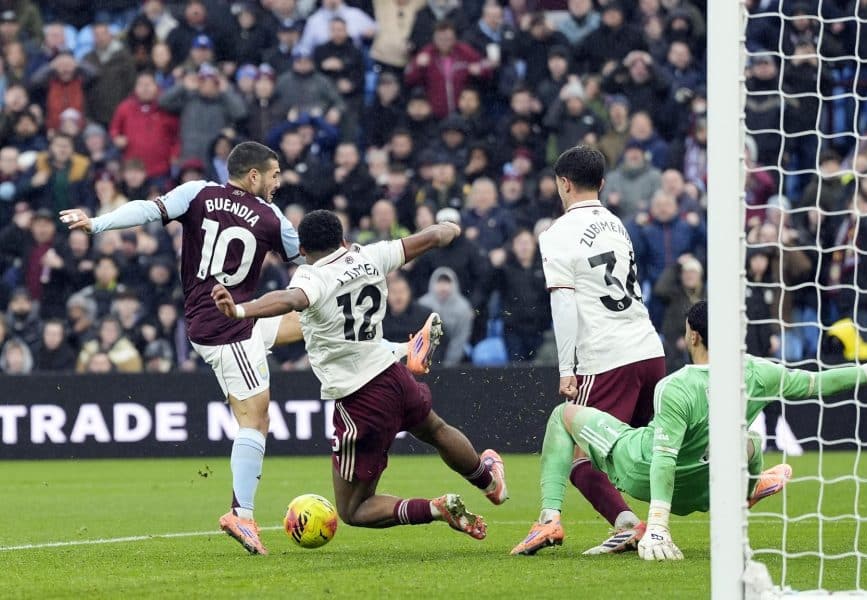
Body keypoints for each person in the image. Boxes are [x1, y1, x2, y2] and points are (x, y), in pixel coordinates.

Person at [512, 301, 867, 558]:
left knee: (563, 417)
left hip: (644, 474)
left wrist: (658, 524)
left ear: (692, 336)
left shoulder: (674, 386)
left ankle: (552, 517)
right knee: (749, 439)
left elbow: (662, 459)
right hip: (709, 489)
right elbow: (820, 384)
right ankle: (748, 487)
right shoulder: (757, 372)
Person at [60, 142, 319, 555]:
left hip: (214, 319)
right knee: (255, 419)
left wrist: (97, 223)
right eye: (273, 175)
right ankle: (242, 513)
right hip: (228, 329)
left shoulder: (197, 192)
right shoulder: (272, 219)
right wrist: (353, 260)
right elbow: (310, 257)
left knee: (306, 321)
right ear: (253, 175)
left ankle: (396, 352)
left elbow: (147, 209)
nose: (277, 183)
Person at [211, 209, 507, 539]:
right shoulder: (371, 254)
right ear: (343, 239)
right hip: (394, 377)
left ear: (304, 252)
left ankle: (436, 509)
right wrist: (450, 228)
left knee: (353, 509)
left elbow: (290, 299)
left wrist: (240, 310)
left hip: (359, 398)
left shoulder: (311, 276)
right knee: (436, 429)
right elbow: (435, 236)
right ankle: (490, 482)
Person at [528, 145, 666, 555]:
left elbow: (564, 304)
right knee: (661, 445)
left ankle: (625, 525)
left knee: (576, 454)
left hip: (607, 359)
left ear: (563, 184)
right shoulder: (616, 224)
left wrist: (566, 368)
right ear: (603, 184)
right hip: (649, 349)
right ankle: (741, 479)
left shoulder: (556, 234)